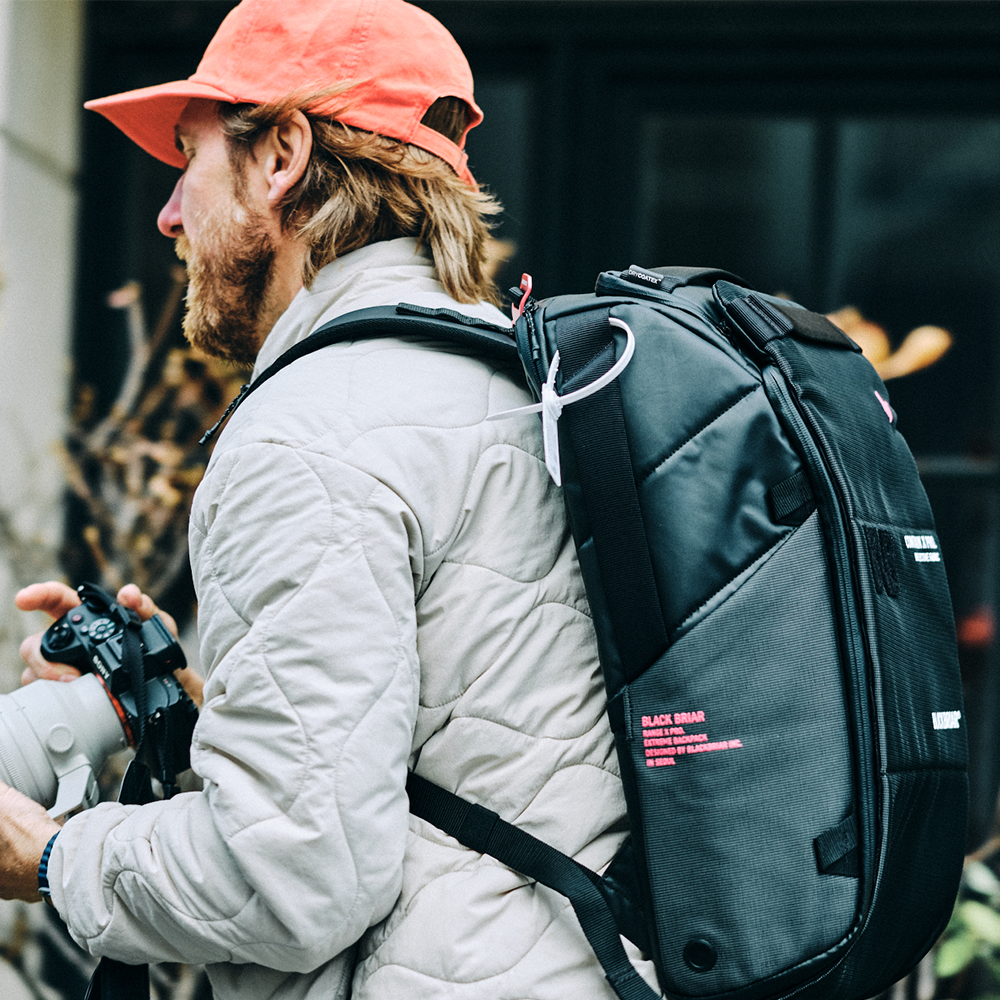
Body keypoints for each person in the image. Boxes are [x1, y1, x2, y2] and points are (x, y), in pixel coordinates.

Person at [4, 1, 658, 996]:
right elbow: (462, 756)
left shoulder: (310, 432)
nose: (168, 213)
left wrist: (52, 855)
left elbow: (291, 880)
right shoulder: (518, 382)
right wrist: (189, 722)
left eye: (189, 156)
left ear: (282, 157)